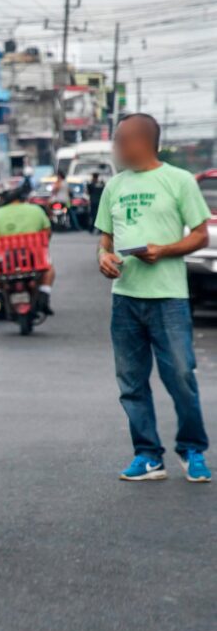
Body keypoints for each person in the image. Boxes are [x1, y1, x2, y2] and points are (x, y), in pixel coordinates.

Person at [95, 113, 211, 483]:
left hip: (169, 298)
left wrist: (163, 250)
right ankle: (147, 456)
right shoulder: (114, 186)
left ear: (144, 141)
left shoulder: (178, 181)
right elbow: (106, 239)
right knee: (131, 382)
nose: (118, 147)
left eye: (122, 140)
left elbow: (200, 236)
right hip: (125, 299)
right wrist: (104, 258)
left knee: (180, 377)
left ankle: (192, 450)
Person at [0, 187, 56, 315]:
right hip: (33, 260)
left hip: (5, 263)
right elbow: (47, 233)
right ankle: (44, 292)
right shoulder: (36, 210)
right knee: (49, 268)